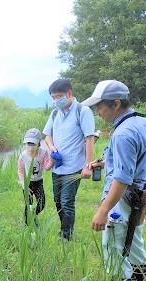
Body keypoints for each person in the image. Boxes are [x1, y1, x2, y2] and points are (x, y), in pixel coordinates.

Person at [82, 80, 146, 281]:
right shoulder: (142, 122)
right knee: (133, 240)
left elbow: (123, 178)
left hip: (123, 198)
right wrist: (107, 162)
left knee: (113, 246)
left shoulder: (123, 133)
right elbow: (135, 160)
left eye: (100, 106)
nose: (97, 112)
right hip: (141, 194)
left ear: (115, 104)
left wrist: (103, 210)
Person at [43, 78, 96, 241]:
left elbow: (89, 138)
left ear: (69, 93)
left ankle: (66, 236)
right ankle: (64, 229)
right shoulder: (55, 113)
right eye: (53, 97)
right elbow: (47, 135)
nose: (56, 100)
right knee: (58, 201)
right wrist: (51, 147)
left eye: (58, 96)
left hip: (74, 167)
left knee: (66, 201)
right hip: (57, 166)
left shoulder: (83, 111)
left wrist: (88, 165)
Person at [17, 128, 54, 226]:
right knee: (28, 205)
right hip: (27, 183)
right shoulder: (23, 156)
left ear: (39, 143)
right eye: (28, 143)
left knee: (41, 204)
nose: (30, 146)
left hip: (38, 182)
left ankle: (33, 215)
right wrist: (24, 186)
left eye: (33, 143)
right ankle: (27, 224)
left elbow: (46, 167)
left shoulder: (43, 153)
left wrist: (52, 161)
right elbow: (20, 171)